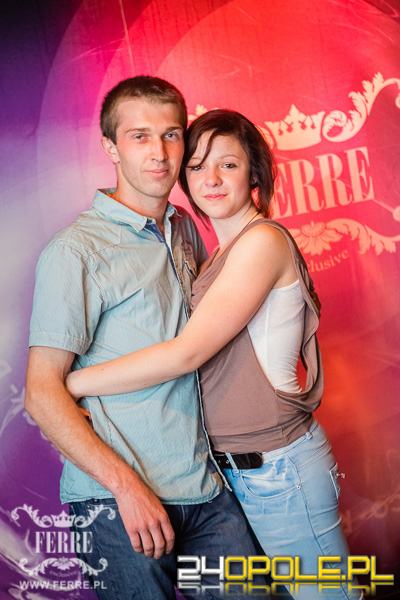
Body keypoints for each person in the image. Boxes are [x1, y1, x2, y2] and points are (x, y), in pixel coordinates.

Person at [66, 109, 360, 600]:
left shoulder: (262, 241)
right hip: (239, 471)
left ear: (254, 173)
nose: (211, 179)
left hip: (280, 466)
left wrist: (73, 382)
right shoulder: (218, 252)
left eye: (228, 164)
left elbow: (188, 353)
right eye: (198, 166)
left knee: (325, 595)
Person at [25, 78, 262, 600]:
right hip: (117, 504)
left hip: (206, 491)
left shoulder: (184, 228)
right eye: (139, 136)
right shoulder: (76, 251)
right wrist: (125, 488)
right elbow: (42, 393)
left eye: (171, 135)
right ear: (111, 147)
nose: (159, 153)